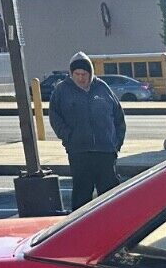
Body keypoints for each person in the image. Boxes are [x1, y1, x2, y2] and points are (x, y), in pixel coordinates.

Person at [49, 52, 125, 209]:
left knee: (110, 196)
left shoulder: (102, 88)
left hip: (105, 152)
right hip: (79, 152)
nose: (81, 78)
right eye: (77, 74)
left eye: (84, 74)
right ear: (71, 73)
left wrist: (116, 144)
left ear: (90, 72)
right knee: (81, 195)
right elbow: (54, 117)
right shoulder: (62, 91)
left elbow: (118, 116)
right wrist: (68, 137)